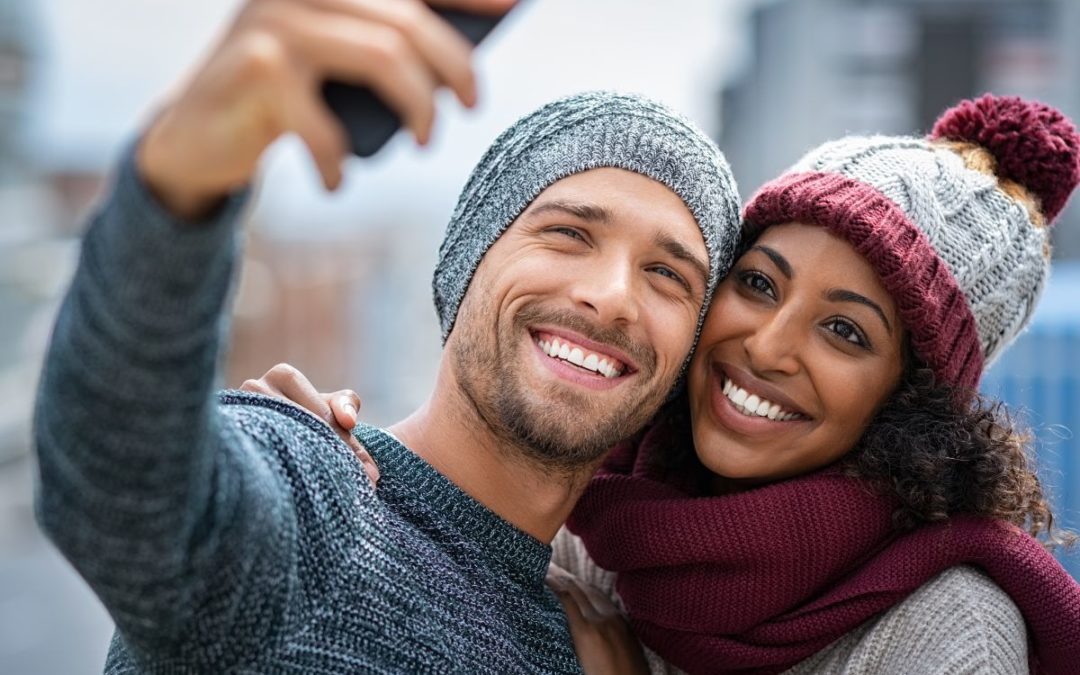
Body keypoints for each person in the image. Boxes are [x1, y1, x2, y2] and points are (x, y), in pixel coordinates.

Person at [31, 0, 743, 672]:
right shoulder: (314, 494)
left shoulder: (603, 636)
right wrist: (183, 174)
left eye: (667, 274)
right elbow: (118, 486)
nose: (613, 294)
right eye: (567, 233)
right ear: (467, 262)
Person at [282, 94, 1080, 674]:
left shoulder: (948, 628)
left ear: (908, 401)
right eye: (760, 283)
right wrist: (324, 457)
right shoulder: (602, 527)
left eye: (845, 330)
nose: (766, 346)